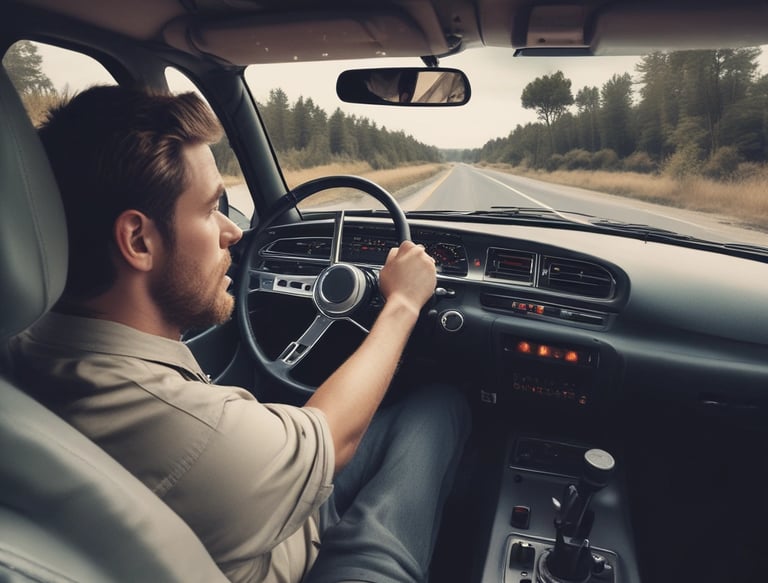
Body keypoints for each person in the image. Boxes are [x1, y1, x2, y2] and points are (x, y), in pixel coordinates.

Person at [10, 85, 470, 583]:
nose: (235, 233)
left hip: (245, 512)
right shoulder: (173, 420)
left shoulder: (27, 348)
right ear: (138, 240)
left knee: (434, 406)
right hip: (300, 561)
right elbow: (333, 438)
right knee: (442, 412)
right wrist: (402, 303)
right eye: (211, 210)